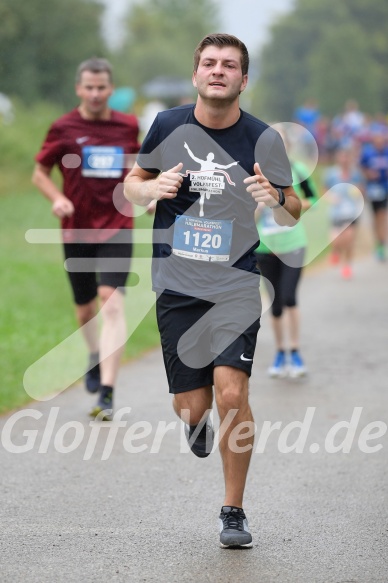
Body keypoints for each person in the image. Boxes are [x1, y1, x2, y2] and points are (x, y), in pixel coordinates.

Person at [124, 34, 301, 548]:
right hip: (177, 285)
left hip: (236, 284)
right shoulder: (167, 126)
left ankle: (233, 511)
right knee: (192, 407)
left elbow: (296, 208)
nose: (217, 70)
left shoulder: (264, 139)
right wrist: (149, 189)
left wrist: (277, 197)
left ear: (244, 80)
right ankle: (195, 423)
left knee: (232, 392)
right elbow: (133, 183)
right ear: (196, 75)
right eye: (209, 63)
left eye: (229, 65)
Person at [32, 57, 140, 420]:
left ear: (111, 90)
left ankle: (107, 392)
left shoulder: (127, 126)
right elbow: (39, 173)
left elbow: (138, 168)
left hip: (117, 226)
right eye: (89, 87)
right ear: (79, 89)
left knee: (111, 302)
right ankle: (94, 355)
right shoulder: (63, 127)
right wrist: (57, 198)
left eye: (102, 88)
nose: (95, 94)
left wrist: (146, 193)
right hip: (76, 228)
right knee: (85, 309)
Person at [255, 126, 318, 378]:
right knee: (276, 303)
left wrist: (286, 202)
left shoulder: (298, 171)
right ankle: (281, 353)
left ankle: (296, 352)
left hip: (293, 244)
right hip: (264, 246)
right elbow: (248, 212)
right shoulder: (256, 173)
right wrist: (260, 205)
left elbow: (312, 198)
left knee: (289, 296)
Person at [324, 147, 364, 279]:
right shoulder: (330, 174)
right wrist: (331, 198)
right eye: (342, 157)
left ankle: (347, 265)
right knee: (335, 240)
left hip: (352, 212)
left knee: (349, 239)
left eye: (347, 157)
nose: (344, 160)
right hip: (336, 212)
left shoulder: (356, 174)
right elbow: (324, 191)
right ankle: (335, 250)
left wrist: (357, 191)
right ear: (338, 158)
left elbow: (362, 191)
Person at [359, 131, 388, 261]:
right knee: (377, 217)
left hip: (385, 187)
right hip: (373, 189)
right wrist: (368, 174)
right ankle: (379, 244)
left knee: (382, 216)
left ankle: (381, 243)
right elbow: (361, 167)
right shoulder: (368, 153)